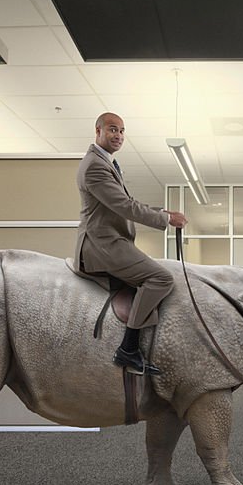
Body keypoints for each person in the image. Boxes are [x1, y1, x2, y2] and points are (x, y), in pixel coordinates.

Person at [74, 112, 187, 376]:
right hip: (102, 244)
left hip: (113, 239)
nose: (119, 136)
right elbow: (124, 206)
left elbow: (128, 200)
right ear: (98, 130)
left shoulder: (108, 163)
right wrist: (166, 219)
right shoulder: (94, 166)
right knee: (161, 279)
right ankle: (128, 348)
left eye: (122, 131)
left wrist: (164, 212)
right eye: (113, 130)